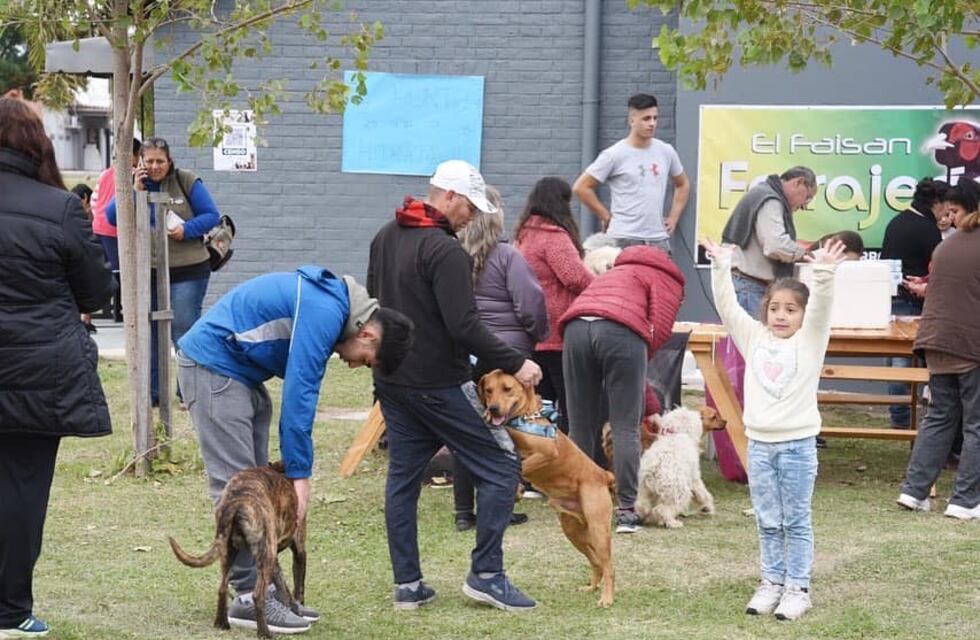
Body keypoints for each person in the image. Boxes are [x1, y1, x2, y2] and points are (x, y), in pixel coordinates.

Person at [176, 267, 413, 633]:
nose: (352, 365)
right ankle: (246, 596)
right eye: (365, 359)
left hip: (241, 374)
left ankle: (266, 588)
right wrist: (299, 475)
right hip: (214, 368)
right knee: (237, 489)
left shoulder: (333, 306)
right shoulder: (325, 311)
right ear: (366, 333)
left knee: (257, 496)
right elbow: (300, 395)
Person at [367, 159, 543, 612]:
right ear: (449, 198)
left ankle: (408, 585)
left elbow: (374, 306)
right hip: (439, 384)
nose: (472, 218)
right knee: (502, 467)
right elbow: (465, 326)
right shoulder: (446, 252)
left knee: (402, 481)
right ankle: (486, 574)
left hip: (393, 382)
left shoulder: (384, 237)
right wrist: (516, 362)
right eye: (470, 207)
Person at [0, 96, 114, 639]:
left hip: (33, 369)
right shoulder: (60, 206)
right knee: (22, 490)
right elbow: (96, 289)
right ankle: (11, 609)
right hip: (38, 374)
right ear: (34, 143)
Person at [703, 235, 847, 621]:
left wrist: (824, 275)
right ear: (765, 311)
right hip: (760, 447)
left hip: (797, 446)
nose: (781, 316)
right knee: (768, 519)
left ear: (803, 315)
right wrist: (720, 266)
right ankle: (771, 582)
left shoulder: (811, 341)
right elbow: (729, 308)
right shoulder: (754, 338)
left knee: (795, 519)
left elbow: (821, 310)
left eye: (791, 310)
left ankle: (798, 588)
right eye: (775, 309)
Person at [559, 245, 685, 534]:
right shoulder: (667, 278)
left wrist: (649, 401)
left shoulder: (615, 272)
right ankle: (627, 510)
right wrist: (648, 399)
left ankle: (578, 504)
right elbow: (658, 333)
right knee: (625, 426)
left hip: (576, 327)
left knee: (580, 424)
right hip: (621, 333)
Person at [453, 186, 549, 532]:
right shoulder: (509, 257)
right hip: (509, 353)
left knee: (468, 429)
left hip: (468, 352)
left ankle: (464, 511)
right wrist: (536, 335)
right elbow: (531, 305)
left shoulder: (452, 254)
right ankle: (504, 506)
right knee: (507, 432)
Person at [106, 136, 220, 405]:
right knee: (152, 333)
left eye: (161, 161)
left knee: (183, 328)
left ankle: (187, 392)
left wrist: (186, 230)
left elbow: (211, 215)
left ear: (170, 161)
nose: (156, 166)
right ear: (140, 162)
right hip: (149, 271)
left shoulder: (186, 180)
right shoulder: (136, 184)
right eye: (150, 161)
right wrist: (135, 189)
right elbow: (112, 217)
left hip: (188, 269)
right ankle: (155, 394)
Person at [896, 179, 980, 520]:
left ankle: (914, 492)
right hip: (969, 344)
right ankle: (965, 500)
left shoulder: (947, 245)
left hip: (934, 341)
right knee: (976, 424)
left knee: (940, 417)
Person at [514, 177, 594, 435]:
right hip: (558, 332)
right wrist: (603, 286)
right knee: (571, 404)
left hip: (532, 330)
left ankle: (541, 459)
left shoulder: (524, 235)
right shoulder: (553, 236)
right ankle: (571, 458)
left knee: (539, 404)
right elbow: (575, 277)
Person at [573, 93, 690, 253]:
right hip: (624, 236)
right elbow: (581, 187)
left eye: (655, 118)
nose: (652, 123)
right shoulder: (614, 154)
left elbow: (682, 183)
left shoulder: (666, 151)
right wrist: (605, 216)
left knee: (661, 279)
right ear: (632, 120)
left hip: (657, 238)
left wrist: (673, 217)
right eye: (646, 118)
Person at [880, 178, 949, 429]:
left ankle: (899, 416)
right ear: (936, 203)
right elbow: (941, 267)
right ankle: (902, 420)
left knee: (894, 361)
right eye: (946, 207)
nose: (947, 213)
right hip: (914, 301)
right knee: (905, 364)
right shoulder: (927, 229)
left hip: (889, 299)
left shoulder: (896, 221)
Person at [720, 166, 818, 316]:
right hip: (749, 288)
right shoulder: (770, 200)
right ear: (799, 182)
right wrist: (804, 254)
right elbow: (775, 245)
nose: (805, 205)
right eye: (808, 197)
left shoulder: (762, 193)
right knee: (754, 339)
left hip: (746, 287)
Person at [93, 138, 142, 322]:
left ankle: (108, 311)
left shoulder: (105, 173)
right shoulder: (131, 174)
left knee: (107, 269)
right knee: (121, 272)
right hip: (115, 228)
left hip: (98, 225)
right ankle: (120, 311)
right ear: (132, 155)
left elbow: (94, 200)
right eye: (138, 155)